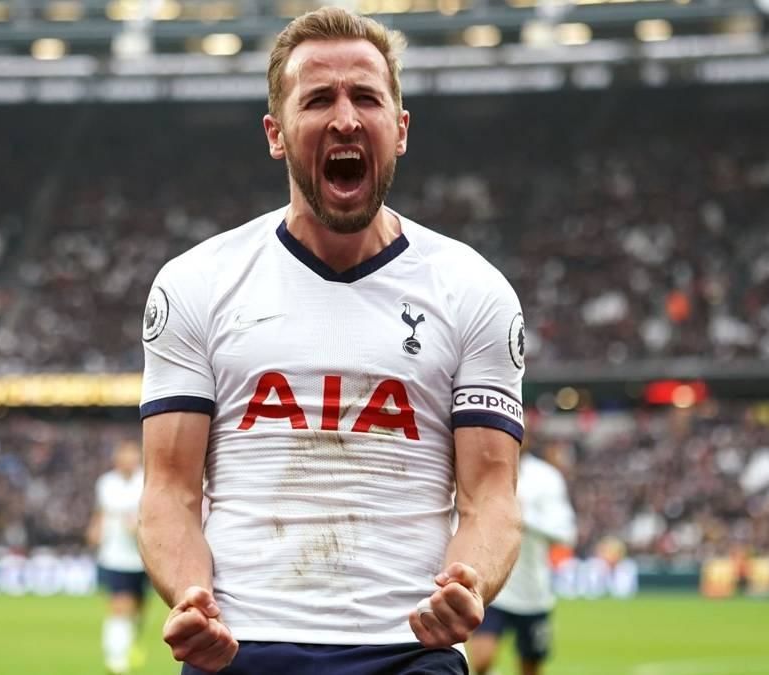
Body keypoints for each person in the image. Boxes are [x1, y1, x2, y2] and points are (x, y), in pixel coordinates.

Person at [138, 7, 526, 673]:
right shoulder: (195, 284)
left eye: (366, 97)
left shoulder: (473, 290)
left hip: (410, 647)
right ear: (277, 134)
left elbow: (492, 494)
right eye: (318, 98)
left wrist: (470, 580)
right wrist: (190, 596)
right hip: (241, 645)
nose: (345, 118)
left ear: (399, 130)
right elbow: (169, 490)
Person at [468, 439, 577, 675]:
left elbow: (566, 533)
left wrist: (524, 518)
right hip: (495, 585)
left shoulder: (546, 477)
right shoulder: (484, 469)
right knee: (482, 659)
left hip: (533, 592)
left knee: (530, 667)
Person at [87, 440, 149, 674]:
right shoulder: (106, 483)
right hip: (114, 555)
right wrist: (94, 529)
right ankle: (116, 659)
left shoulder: (145, 481)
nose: (129, 460)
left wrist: (140, 525)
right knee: (119, 605)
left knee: (138, 608)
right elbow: (101, 512)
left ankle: (129, 641)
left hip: (142, 556)